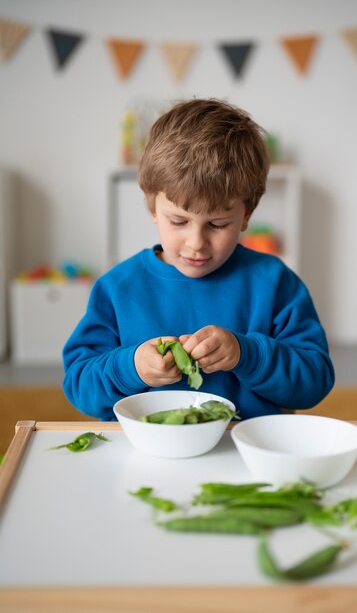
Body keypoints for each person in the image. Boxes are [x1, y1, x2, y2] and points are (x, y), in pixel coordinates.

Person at [63, 98, 334, 420]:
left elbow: (314, 382)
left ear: (246, 215)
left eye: (217, 224)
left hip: (245, 451)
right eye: (178, 221)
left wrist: (247, 353)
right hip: (149, 455)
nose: (196, 244)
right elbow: (80, 385)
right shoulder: (118, 287)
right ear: (153, 209)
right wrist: (130, 367)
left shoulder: (273, 282)